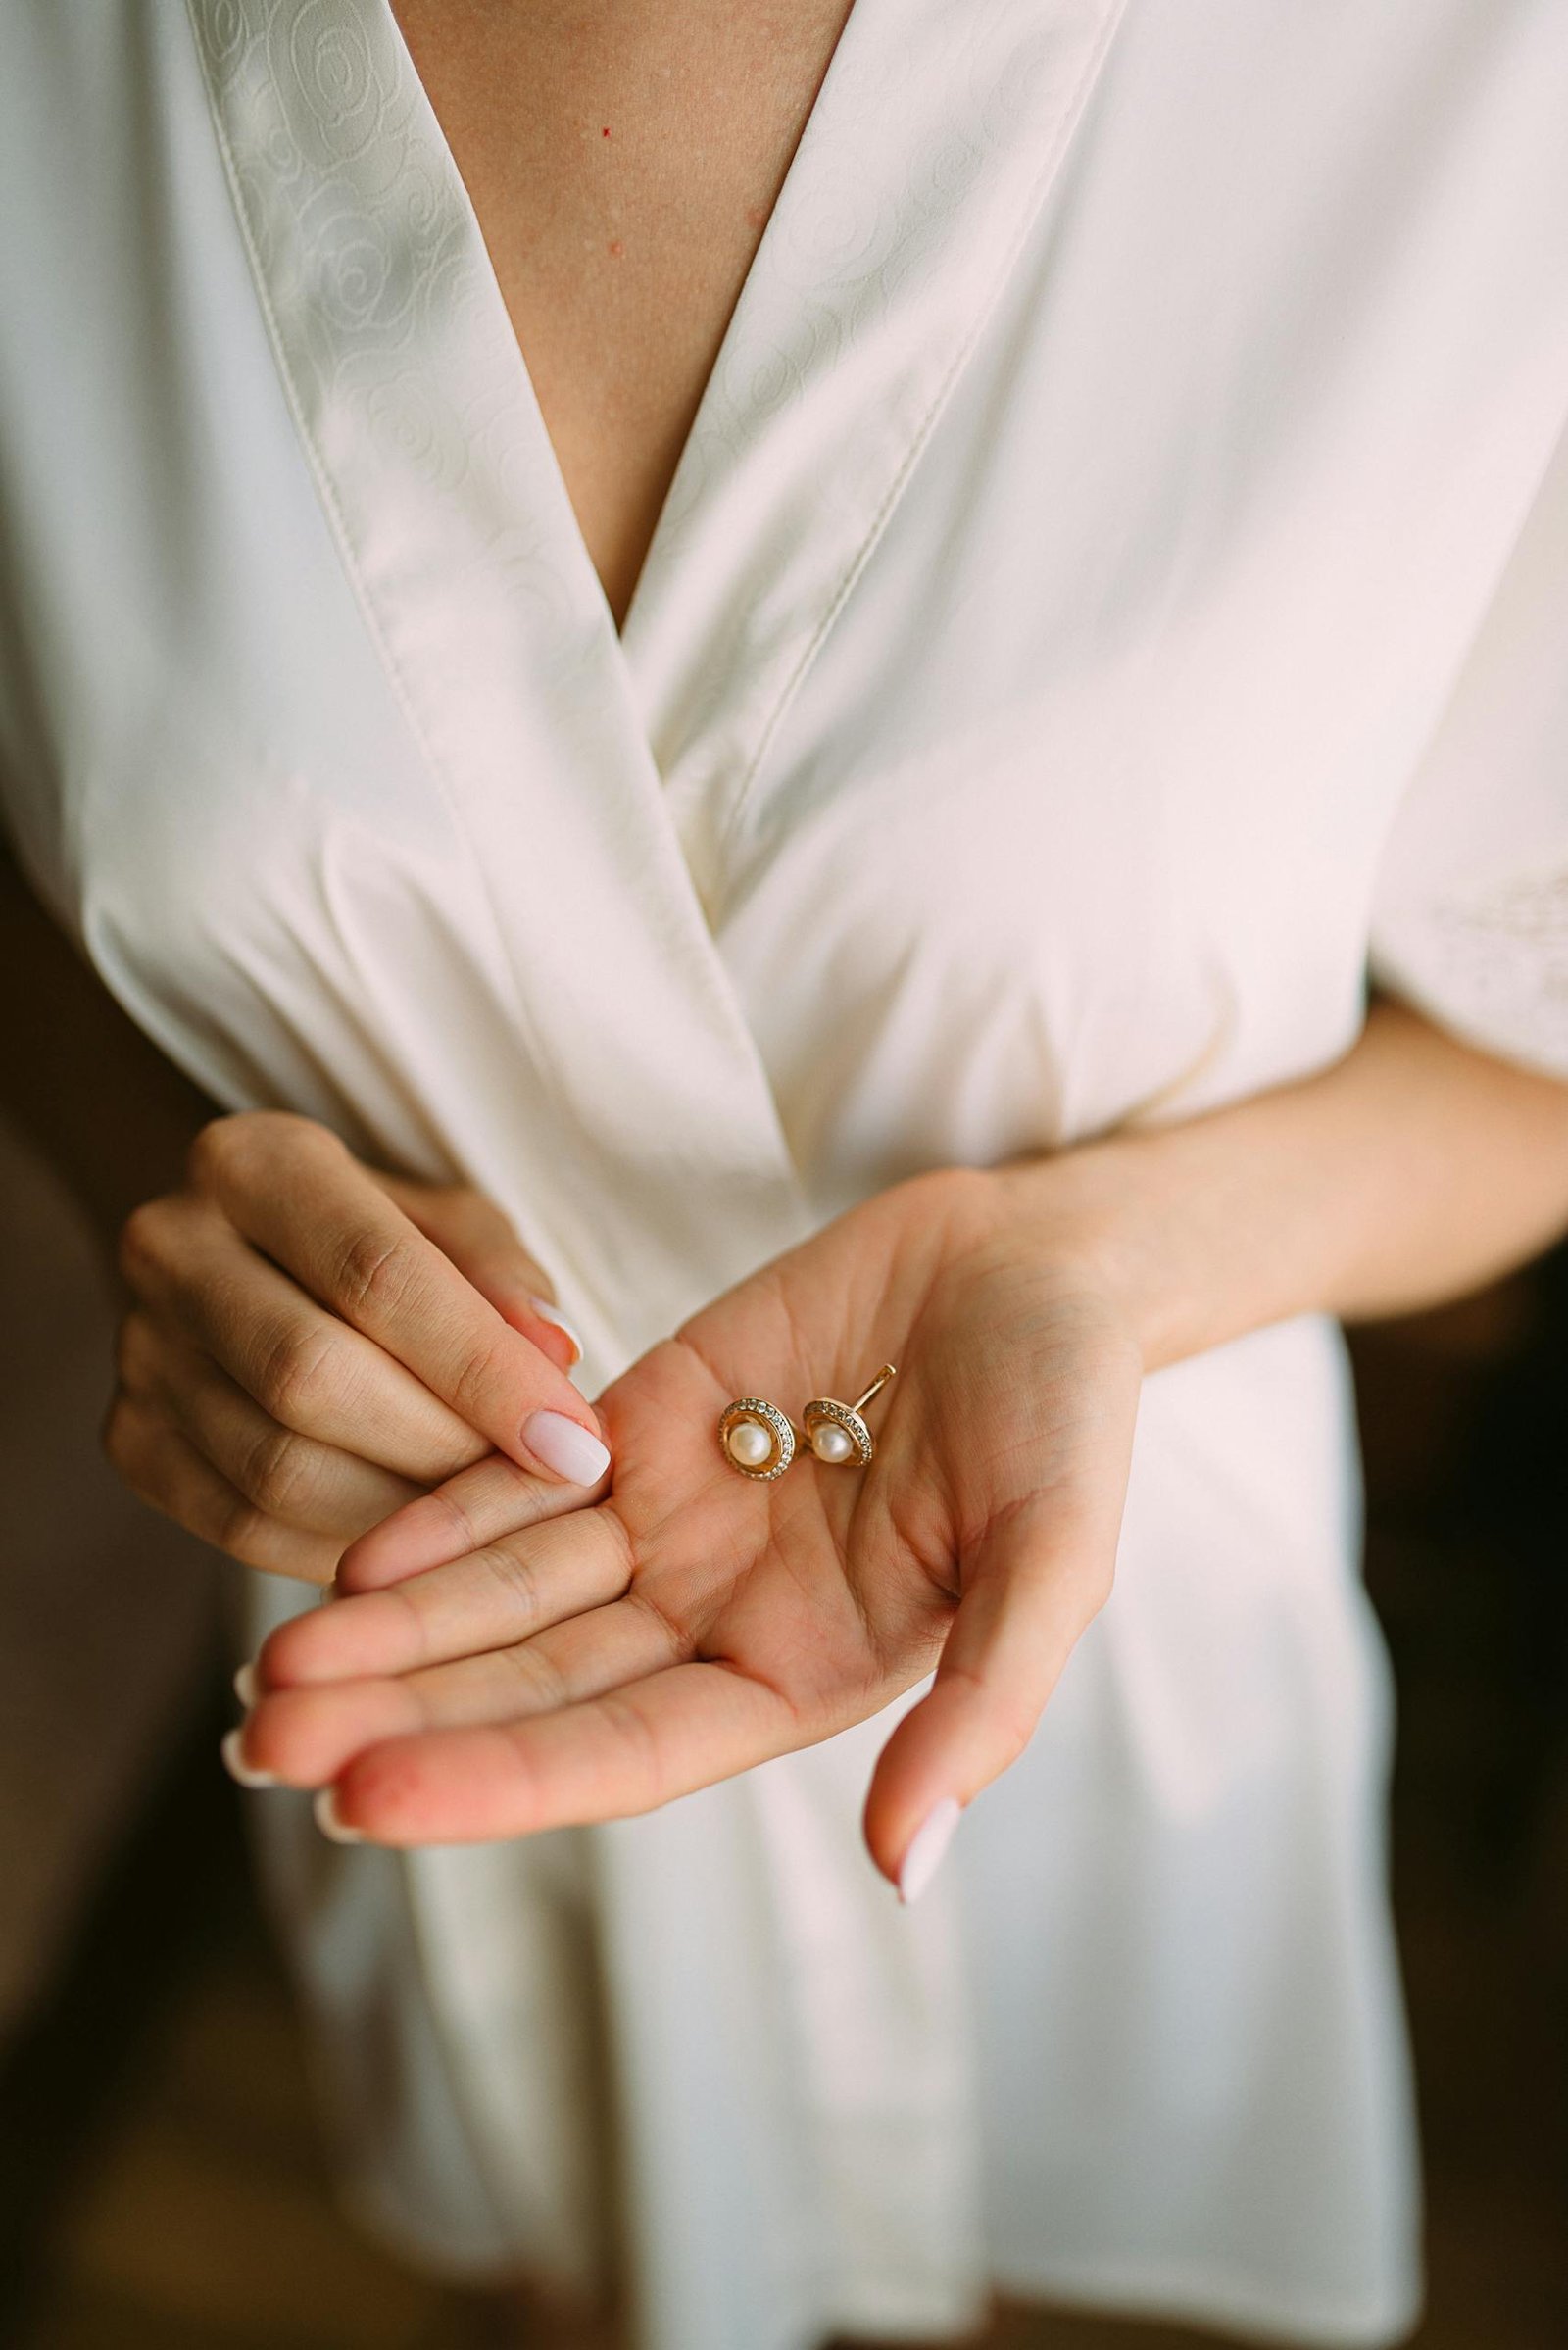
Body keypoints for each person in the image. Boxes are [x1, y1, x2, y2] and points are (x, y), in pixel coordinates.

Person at [4, 3, 1568, 2344]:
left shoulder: (1467, 81)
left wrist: (1088, 1263)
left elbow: (1534, 1053)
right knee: (567, 2259)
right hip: (437, 1631)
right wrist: (185, 1209)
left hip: (1092, 1635)